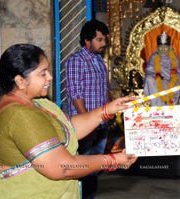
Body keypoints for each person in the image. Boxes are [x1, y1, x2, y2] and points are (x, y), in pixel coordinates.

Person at [0, 43, 137, 199]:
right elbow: (63, 167)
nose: (50, 77)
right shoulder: (18, 114)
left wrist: (107, 110)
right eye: (43, 73)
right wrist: (113, 160)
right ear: (20, 81)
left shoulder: (36, 102)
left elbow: (68, 129)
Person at [64, 19, 111, 199]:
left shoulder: (99, 61)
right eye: (99, 40)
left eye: (104, 40)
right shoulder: (77, 61)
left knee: (95, 164)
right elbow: (75, 94)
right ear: (87, 40)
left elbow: (104, 89)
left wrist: (109, 113)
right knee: (82, 166)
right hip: (85, 125)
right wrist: (87, 122)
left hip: (101, 124)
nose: (103, 44)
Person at [143, 32, 180, 106]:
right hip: (156, 81)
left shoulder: (174, 58)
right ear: (157, 48)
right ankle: (156, 106)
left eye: (165, 47)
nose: (163, 49)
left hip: (171, 82)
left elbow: (178, 74)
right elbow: (149, 71)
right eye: (161, 47)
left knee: (175, 87)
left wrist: (171, 79)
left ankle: (169, 108)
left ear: (169, 48)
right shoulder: (154, 57)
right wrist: (158, 76)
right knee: (149, 79)